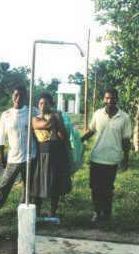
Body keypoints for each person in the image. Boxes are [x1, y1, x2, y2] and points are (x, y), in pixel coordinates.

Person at [0, 85, 38, 225]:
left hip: (30, 157)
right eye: (16, 95)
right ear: (12, 96)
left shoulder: (32, 111)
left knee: (28, 188)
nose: (18, 98)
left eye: (21, 95)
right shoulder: (6, 114)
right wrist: (1, 156)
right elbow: (1, 136)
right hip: (13, 158)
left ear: (26, 97)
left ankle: (22, 217)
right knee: (4, 187)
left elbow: (43, 123)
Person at [81, 88, 132, 223]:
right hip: (96, 157)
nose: (110, 101)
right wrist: (79, 141)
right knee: (95, 187)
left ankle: (106, 214)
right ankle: (96, 213)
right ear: (104, 99)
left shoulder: (124, 117)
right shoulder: (98, 114)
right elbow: (91, 131)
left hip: (112, 159)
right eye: (107, 98)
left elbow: (126, 140)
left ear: (117, 99)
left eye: (113, 98)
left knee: (108, 189)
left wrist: (126, 159)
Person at [31, 92, 72, 219]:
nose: (43, 106)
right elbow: (46, 125)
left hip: (56, 154)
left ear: (51, 104)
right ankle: (37, 213)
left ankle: (52, 213)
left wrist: (58, 120)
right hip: (43, 154)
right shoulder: (36, 118)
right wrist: (56, 116)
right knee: (39, 184)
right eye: (41, 103)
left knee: (55, 183)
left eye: (46, 103)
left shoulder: (56, 117)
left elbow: (63, 136)